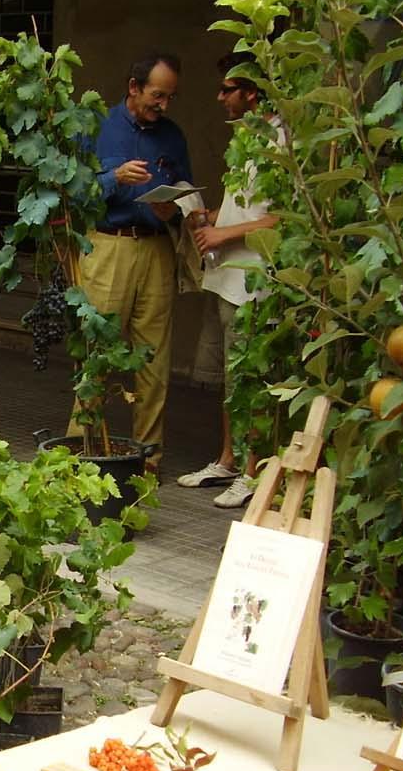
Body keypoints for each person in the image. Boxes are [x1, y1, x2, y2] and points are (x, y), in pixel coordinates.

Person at [75, 53, 193, 474]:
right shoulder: (96, 127)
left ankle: (148, 462)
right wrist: (113, 179)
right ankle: (82, 453)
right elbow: (74, 192)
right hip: (110, 245)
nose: (164, 104)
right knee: (97, 354)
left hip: (157, 247)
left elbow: (187, 192)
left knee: (154, 360)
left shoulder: (173, 137)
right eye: (157, 95)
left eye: (170, 97)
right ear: (133, 87)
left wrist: (174, 210)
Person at [177, 53, 279, 509]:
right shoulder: (246, 139)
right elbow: (248, 206)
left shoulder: (280, 142)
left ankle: (254, 470)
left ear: (252, 93)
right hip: (225, 278)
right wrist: (210, 215)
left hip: (253, 282)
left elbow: (283, 217)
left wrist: (223, 233)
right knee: (228, 377)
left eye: (228, 89)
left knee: (249, 378)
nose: (219, 97)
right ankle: (228, 460)